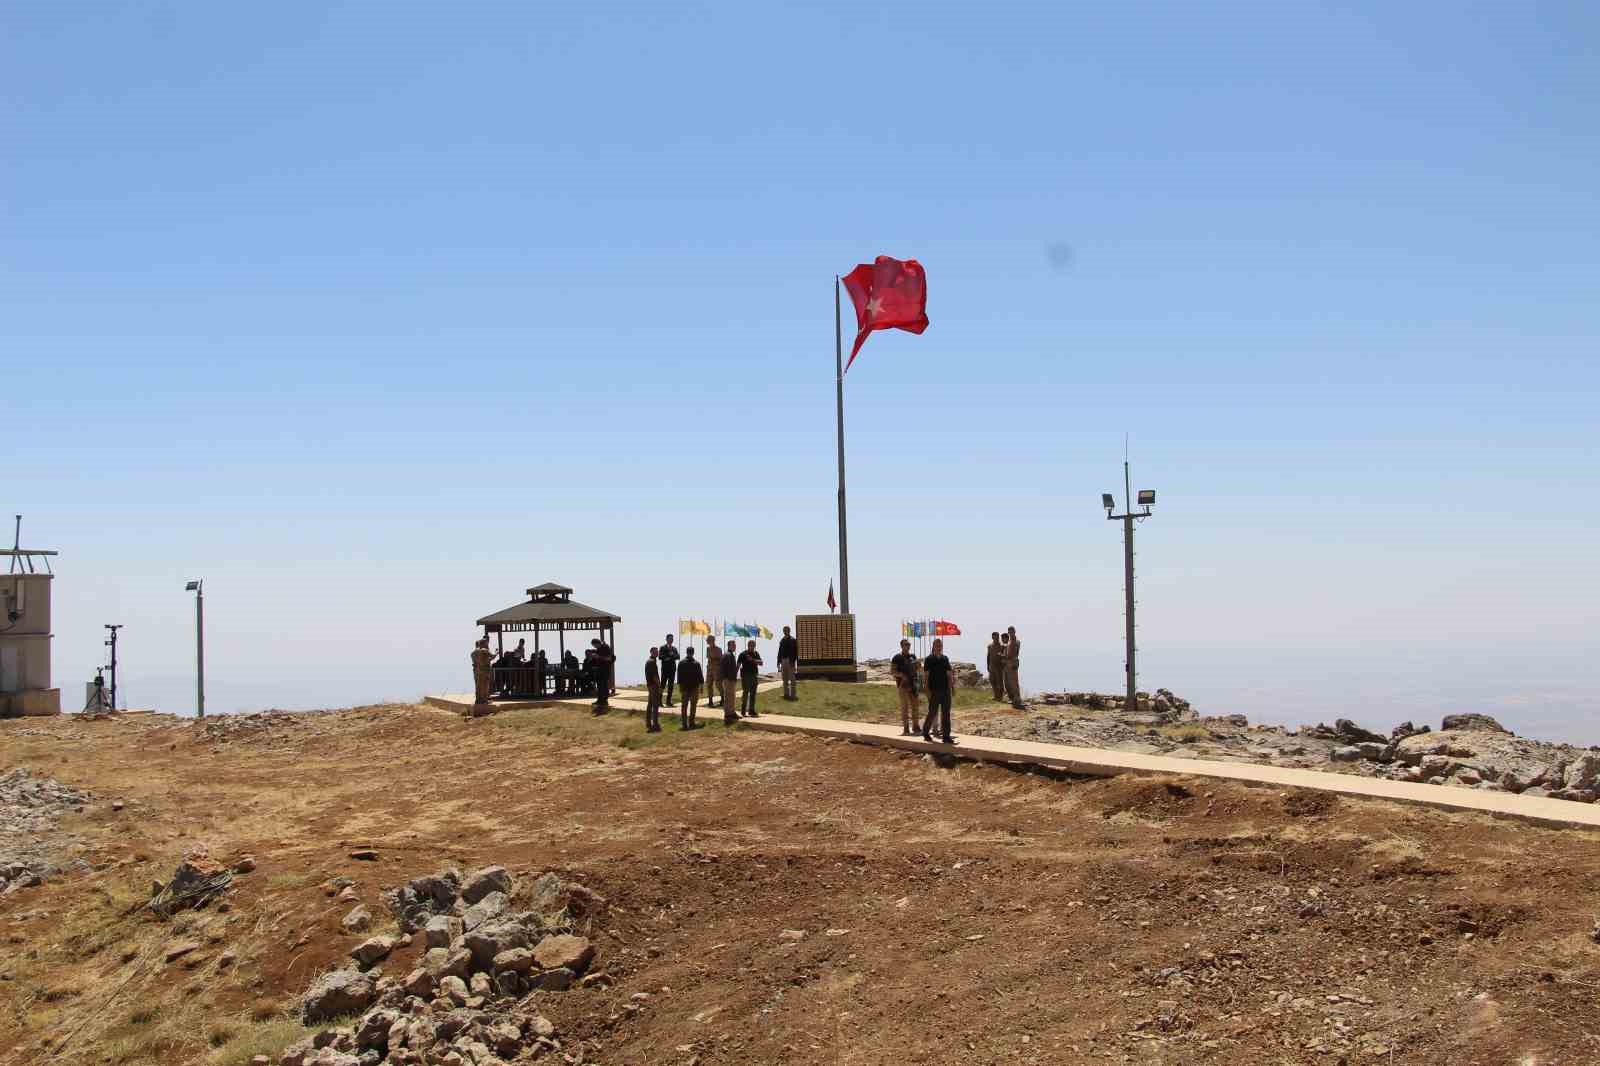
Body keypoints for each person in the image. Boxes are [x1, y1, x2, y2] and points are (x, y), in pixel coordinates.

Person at [922, 637, 957, 745]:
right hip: (934, 690)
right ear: (933, 646)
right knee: (932, 712)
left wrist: (952, 687)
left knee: (946, 713)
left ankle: (946, 736)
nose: (939, 647)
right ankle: (925, 732)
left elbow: (949, 673)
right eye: (937, 645)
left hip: (946, 690)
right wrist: (927, 689)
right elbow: (926, 676)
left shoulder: (945, 658)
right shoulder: (929, 659)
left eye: (940, 645)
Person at [890, 638, 921, 736]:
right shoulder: (897, 658)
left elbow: (918, 669)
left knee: (915, 706)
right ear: (902, 646)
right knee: (905, 707)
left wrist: (918, 665)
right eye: (906, 645)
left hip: (913, 684)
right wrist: (902, 675)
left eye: (909, 645)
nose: (908, 646)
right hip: (902, 685)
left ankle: (916, 726)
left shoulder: (912, 656)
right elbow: (893, 671)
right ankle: (906, 728)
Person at [677, 647, 704, 729]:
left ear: (686, 652)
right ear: (693, 653)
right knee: (693, 706)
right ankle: (691, 723)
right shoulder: (696, 663)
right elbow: (700, 676)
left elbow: (679, 676)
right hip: (694, 687)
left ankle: (684, 725)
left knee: (684, 706)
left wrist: (680, 687)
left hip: (684, 687)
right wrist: (701, 687)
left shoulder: (681, 663)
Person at [737, 639, 764, 717]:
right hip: (745, 676)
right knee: (745, 693)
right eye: (750, 645)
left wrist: (752, 660)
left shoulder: (756, 654)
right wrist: (734, 675)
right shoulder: (743, 654)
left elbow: (761, 663)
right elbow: (738, 665)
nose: (752, 646)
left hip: (754, 675)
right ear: (748, 645)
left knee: (753, 694)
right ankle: (743, 710)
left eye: (753, 645)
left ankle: (751, 710)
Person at [591, 637, 616, 714]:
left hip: (605, 669)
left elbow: (609, 658)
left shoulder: (605, 648)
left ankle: (604, 701)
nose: (595, 647)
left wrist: (599, 657)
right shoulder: (598, 649)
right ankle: (599, 700)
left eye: (594, 645)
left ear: (597, 643)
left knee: (603, 685)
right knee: (599, 685)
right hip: (599, 669)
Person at [720, 639, 739, 725]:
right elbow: (726, 669)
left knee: (732, 697)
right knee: (728, 697)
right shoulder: (727, 655)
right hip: (728, 680)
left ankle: (732, 712)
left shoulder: (730, 655)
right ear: (729, 646)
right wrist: (728, 678)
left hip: (731, 679)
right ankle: (728, 714)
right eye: (733, 645)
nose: (735, 646)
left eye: (735, 645)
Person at [777, 625, 799, 701]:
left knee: (792, 679)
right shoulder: (782, 640)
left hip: (790, 661)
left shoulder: (793, 640)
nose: (785, 631)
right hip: (783, 660)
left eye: (786, 630)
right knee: (784, 679)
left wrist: (793, 661)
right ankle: (786, 694)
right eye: (784, 630)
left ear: (789, 631)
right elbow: (779, 652)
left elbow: (796, 652)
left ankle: (793, 695)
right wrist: (778, 662)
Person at [644, 647, 663, 732]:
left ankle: (648, 723)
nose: (657, 653)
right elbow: (655, 676)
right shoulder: (652, 662)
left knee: (650, 705)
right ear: (651, 652)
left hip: (650, 685)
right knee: (655, 705)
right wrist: (659, 686)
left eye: (657, 652)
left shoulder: (650, 661)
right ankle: (655, 724)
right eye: (655, 652)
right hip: (654, 686)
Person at [1004, 625, 1024, 709]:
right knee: (1009, 681)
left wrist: (1009, 658)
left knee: (1014, 681)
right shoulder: (1010, 641)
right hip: (1008, 662)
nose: (1010, 633)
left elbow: (1015, 653)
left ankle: (1017, 699)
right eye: (1009, 632)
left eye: (1011, 631)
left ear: (1014, 632)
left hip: (1012, 662)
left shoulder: (1016, 641)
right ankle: (1013, 698)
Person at [471, 638, 493, 706]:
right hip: (484, 670)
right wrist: (496, 652)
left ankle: (478, 700)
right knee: (485, 686)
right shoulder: (483, 651)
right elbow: (490, 657)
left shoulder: (472, 653)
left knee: (478, 686)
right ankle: (484, 700)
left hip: (476, 670)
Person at [659, 634, 680, 705]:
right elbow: (660, 656)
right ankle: (659, 700)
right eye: (670, 639)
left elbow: (678, 656)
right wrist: (668, 656)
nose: (671, 640)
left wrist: (671, 656)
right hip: (665, 670)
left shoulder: (674, 648)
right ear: (667, 639)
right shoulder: (662, 647)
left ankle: (668, 701)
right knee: (662, 685)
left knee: (671, 686)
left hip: (672, 670)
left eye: (672, 639)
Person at [704, 637, 723, 708]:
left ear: (712, 641)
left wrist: (714, 658)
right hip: (709, 669)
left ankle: (722, 699)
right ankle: (710, 701)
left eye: (708, 640)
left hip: (716, 669)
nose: (707, 642)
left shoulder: (718, 649)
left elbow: (721, 659)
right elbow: (708, 657)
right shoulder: (708, 649)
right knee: (709, 685)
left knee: (718, 685)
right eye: (707, 641)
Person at [987, 631, 1006, 701]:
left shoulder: (1002, 646)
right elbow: (988, 656)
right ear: (992, 637)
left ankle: (1000, 697)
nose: (996, 638)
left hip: (999, 667)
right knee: (992, 681)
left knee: (1000, 682)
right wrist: (988, 665)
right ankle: (995, 695)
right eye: (995, 637)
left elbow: (1004, 656)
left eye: (997, 637)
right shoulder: (990, 646)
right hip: (992, 666)